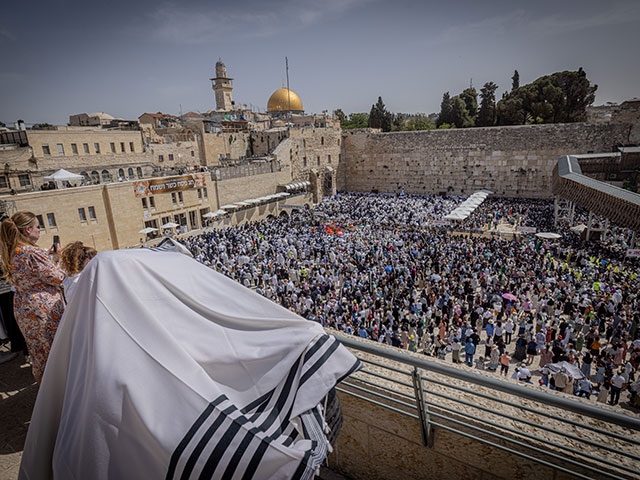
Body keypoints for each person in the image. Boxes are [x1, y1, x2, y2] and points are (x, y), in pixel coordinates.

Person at [0, 212, 65, 383]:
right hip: (42, 307)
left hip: (23, 305)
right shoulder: (32, 252)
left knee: (38, 350)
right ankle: (60, 391)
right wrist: (58, 259)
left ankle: (45, 390)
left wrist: (47, 257)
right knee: (54, 348)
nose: (39, 230)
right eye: (37, 226)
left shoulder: (12, 250)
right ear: (28, 230)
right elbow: (57, 277)